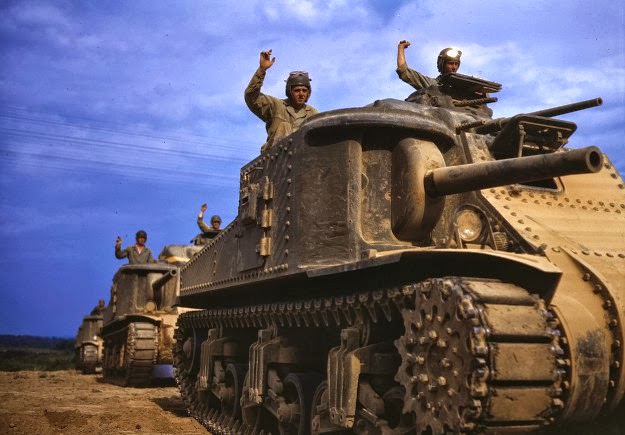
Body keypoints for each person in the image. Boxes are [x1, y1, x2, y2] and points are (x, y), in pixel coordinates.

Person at [245, 49, 318, 152]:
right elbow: (251, 96)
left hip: (303, 157)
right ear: (289, 92)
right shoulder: (276, 106)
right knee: (285, 126)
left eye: (304, 91)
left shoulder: (313, 114)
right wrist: (262, 70)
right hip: (276, 158)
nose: (301, 94)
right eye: (297, 90)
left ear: (308, 93)